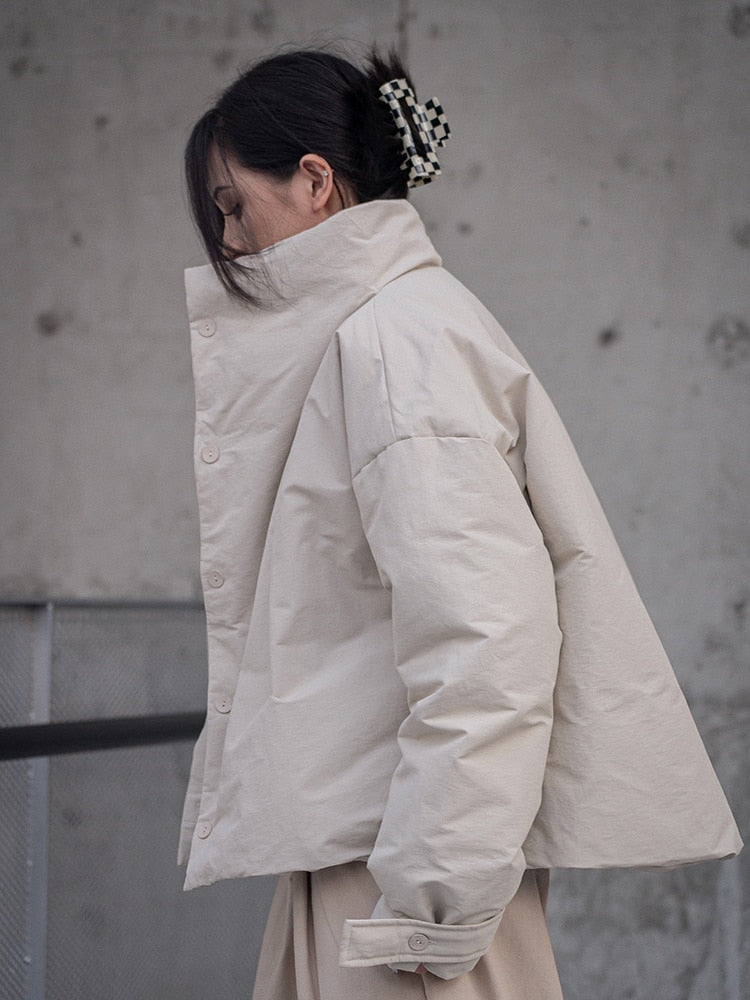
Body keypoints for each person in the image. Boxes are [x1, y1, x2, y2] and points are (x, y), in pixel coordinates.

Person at [177, 46, 742, 999]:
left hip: (399, 881)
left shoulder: (398, 342)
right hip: (375, 851)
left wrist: (432, 900)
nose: (227, 243)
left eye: (234, 206)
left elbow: (487, 641)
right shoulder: (385, 333)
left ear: (314, 181)